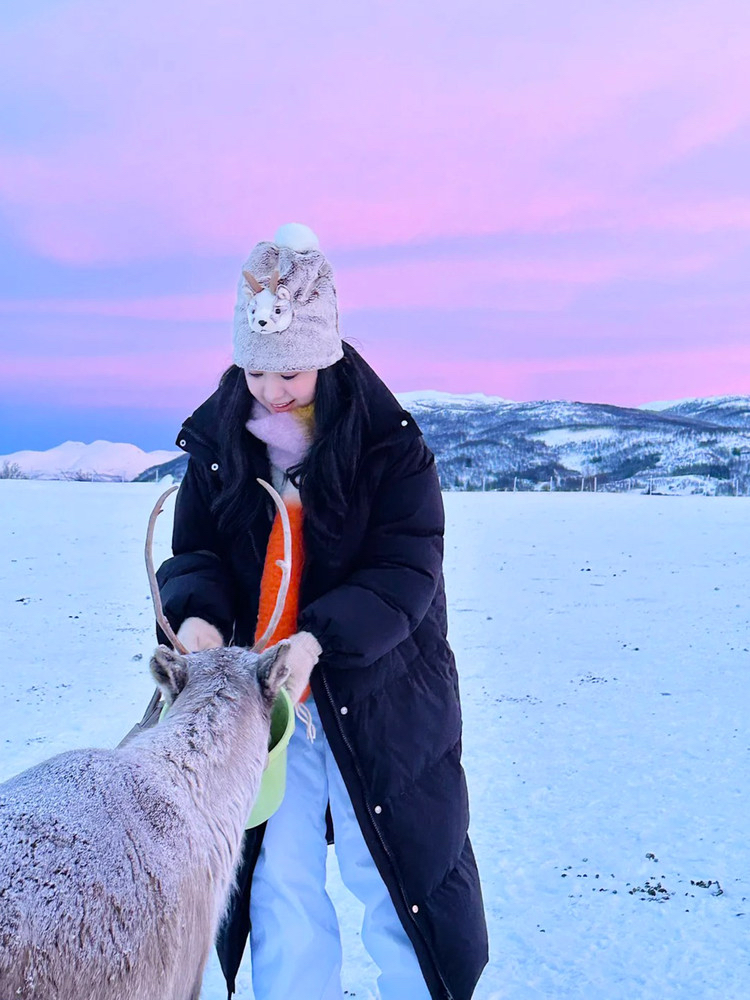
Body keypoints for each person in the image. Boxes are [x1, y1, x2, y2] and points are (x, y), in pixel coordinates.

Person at [156, 223, 488, 1000]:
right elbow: (195, 555)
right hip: (265, 705)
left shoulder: (388, 446)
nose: (272, 391)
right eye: (257, 372)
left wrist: (317, 640)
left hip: (379, 696)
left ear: (328, 354)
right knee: (278, 879)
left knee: (396, 878)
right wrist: (198, 623)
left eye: (292, 372)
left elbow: (406, 571)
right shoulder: (217, 445)